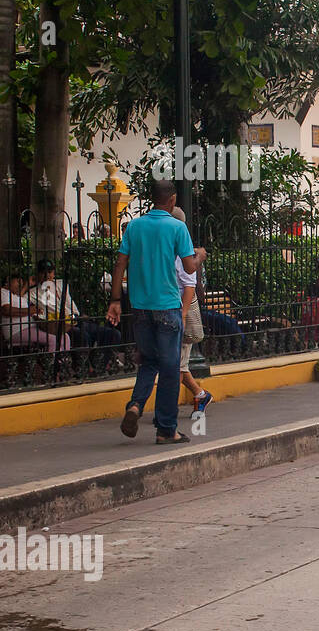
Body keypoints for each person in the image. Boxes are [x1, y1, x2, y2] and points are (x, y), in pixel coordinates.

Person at [107, 179, 206, 445]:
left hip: (140, 307)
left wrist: (115, 300)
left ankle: (136, 405)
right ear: (172, 200)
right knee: (171, 368)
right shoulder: (177, 227)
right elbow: (188, 268)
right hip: (167, 308)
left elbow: (120, 264)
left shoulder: (135, 226)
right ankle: (166, 429)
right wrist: (201, 255)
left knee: (149, 362)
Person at [170, 207, 212, 418]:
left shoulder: (184, 252)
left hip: (179, 312)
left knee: (177, 364)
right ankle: (200, 394)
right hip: (169, 311)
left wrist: (183, 315)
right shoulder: (172, 249)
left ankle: (169, 410)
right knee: (175, 363)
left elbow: (190, 286)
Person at [31, 259, 120, 347]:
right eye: (43, 273)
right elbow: (20, 299)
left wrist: (79, 315)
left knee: (113, 334)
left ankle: (101, 360)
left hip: (76, 319)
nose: (47, 275)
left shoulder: (61, 284)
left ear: (54, 272)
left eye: (50, 272)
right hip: (61, 325)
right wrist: (27, 284)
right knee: (83, 337)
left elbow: (70, 305)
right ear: (38, 274)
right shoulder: (33, 292)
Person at [2, 269, 71, 352]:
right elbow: (6, 310)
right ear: (8, 280)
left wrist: (27, 285)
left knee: (65, 336)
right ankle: (51, 363)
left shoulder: (14, 296)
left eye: (22, 282)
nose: (20, 284)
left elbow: (19, 298)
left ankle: (62, 361)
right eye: (18, 281)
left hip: (31, 328)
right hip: (17, 330)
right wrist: (30, 311)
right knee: (53, 339)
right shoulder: (3, 292)